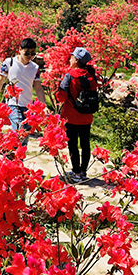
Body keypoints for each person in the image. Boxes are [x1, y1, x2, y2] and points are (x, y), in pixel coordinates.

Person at [55, 47, 99, 183]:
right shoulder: (91, 76)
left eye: (72, 57)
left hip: (71, 117)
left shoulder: (70, 75)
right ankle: (83, 172)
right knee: (85, 144)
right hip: (86, 116)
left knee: (73, 145)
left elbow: (61, 97)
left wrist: (57, 94)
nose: (70, 59)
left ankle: (76, 172)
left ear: (75, 60)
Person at [0, 38, 46, 146]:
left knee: (24, 135)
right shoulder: (9, 62)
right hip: (13, 104)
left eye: (33, 53)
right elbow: (0, 82)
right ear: (20, 50)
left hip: (28, 107)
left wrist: (43, 106)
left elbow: (38, 88)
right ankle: (15, 153)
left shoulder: (35, 68)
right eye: (27, 53)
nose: (30, 56)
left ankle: (14, 153)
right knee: (19, 131)